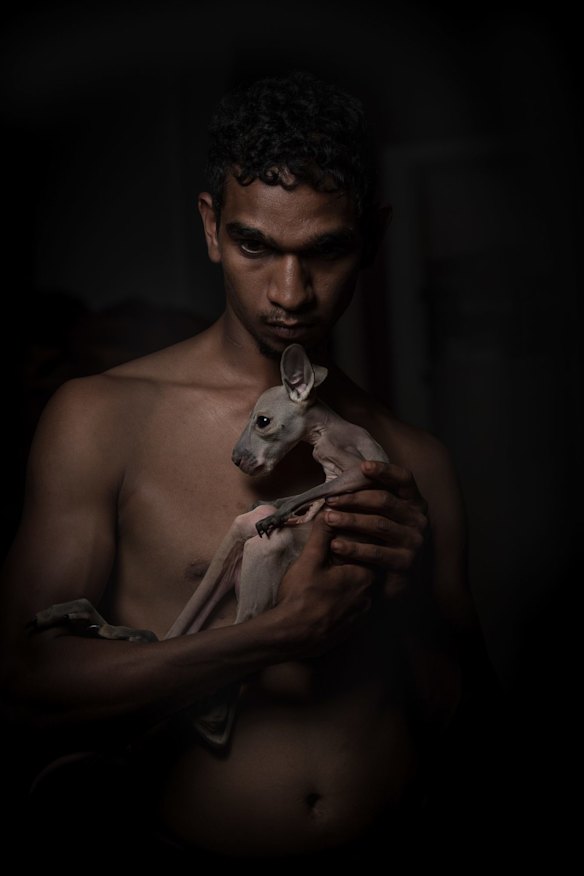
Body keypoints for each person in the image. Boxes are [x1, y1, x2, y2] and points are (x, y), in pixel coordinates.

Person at [0, 70, 504, 866]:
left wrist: (412, 599)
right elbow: (27, 683)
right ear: (211, 228)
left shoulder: (417, 460)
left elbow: (465, 727)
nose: (290, 293)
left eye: (325, 250)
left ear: (372, 237)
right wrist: (274, 636)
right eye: (254, 244)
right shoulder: (102, 417)